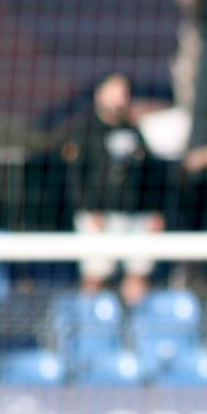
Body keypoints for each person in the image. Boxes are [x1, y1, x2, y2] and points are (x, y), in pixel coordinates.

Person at [63, 73, 164, 306]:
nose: (120, 98)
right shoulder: (85, 131)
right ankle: (90, 318)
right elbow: (75, 176)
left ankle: (136, 321)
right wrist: (89, 210)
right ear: (100, 95)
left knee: (138, 273)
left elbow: (149, 173)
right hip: (99, 216)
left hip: (134, 214)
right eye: (114, 92)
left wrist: (154, 210)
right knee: (96, 272)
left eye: (124, 93)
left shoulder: (134, 131)